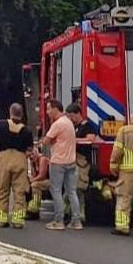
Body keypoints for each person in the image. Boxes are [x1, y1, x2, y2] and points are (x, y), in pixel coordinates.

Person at [0, 103, 35, 229]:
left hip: (4, 158)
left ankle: (1, 218)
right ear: (22, 114)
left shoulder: (0, 124)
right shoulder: (26, 131)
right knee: (20, 191)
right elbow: (30, 149)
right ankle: (18, 219)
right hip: (20, 160)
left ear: (10, 112)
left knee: (2, 189)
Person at [40, 99, 82, 230]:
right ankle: (76, 221)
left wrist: (47, 140)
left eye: (48, 109)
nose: (47, 112)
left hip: (58, 162)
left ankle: (59, 221)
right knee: (72, 192)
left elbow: (46, 141)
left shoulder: (58, 124)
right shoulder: (69, 123)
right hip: (71, 161)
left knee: (56, 191)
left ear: (55, 109)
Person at [65, 102, 101, 223]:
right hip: (72, 160)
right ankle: (68, 213)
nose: (70, 119)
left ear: (78, 114)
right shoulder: (75, 127)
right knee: (70, 188)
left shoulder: (87, 126)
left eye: (71, 116)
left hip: (82, 161)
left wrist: (74, 140)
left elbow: (90, 139)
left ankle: (80, 215)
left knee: (79, 188)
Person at [25, 147, 50, 220]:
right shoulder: (33, 162)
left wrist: (32, 181)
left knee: (35, 185)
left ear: (37, 152)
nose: (31, 157)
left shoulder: (42, 159)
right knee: (26, 185)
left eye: (33, 154)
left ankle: (34, 210)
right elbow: (34, 175)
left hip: (51, 180)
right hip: (42, 181)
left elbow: (42, 175)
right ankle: (28, 208)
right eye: (29, 156)